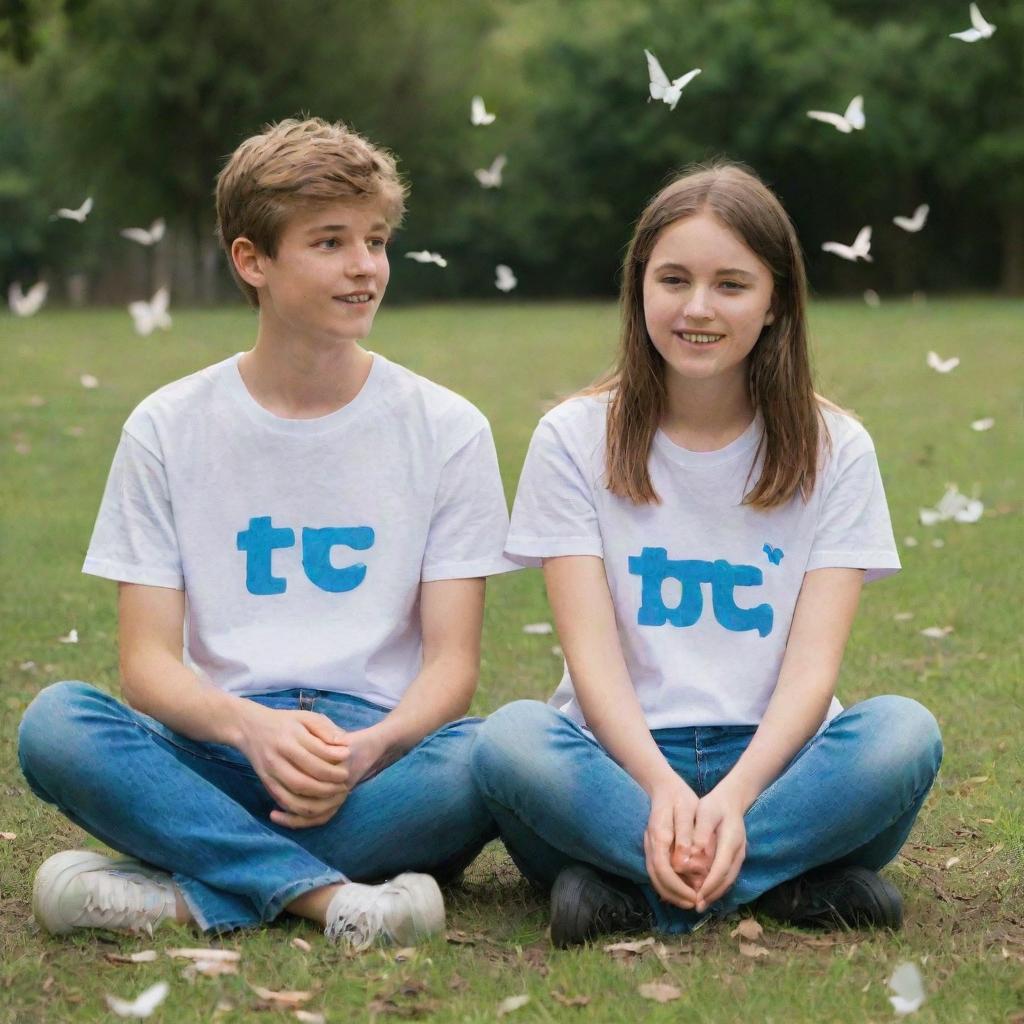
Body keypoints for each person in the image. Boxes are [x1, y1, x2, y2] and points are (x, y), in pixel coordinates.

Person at [18, 117, 514, 948]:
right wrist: (251, 728)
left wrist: (366, 749)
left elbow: (452, 667)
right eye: (330, 242)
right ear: (253, 260)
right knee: (55, 725)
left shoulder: (448, 428)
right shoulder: (167, 427)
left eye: (377, 240)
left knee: (495, 754)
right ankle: (328, 899)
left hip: (373, 768)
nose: (364, 267)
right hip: (217, 750)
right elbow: (144, 664)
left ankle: (182, 893)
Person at [470, 161, 942, 947]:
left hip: (780, 767)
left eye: (731, 284)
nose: (697, 308)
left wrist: (736, 795)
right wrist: (657, 786)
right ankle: (789, 886)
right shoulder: (572, 438)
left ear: (775, 302)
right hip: (615, 764)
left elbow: (812, 670)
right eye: (674, 279)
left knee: (904, 734)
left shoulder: (838, 448)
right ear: (639, 287)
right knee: (508, 740)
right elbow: (592, 661)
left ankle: (639, 892)